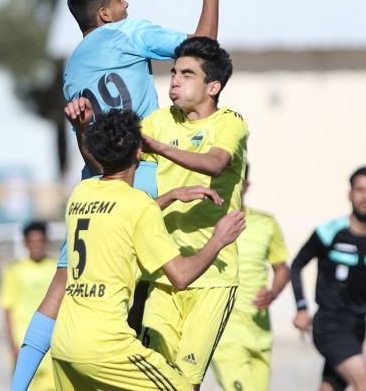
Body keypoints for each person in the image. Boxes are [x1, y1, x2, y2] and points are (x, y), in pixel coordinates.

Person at [12, 0, 231, 389]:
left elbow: (91, 152)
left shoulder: (71, 70)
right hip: (142, 172)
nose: (126, 4)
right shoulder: (126, 33)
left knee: (61, 288)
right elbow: (202, 51)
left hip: (93, 186)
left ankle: (17, 385)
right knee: (156, 289)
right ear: (105, 14)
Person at [49, 109, 246, 391]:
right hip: (106, 345)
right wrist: (218, 239)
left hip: (64, 344)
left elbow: (120, 213)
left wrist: (172, 195)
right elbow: (180, 276)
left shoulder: (81, 194)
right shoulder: (138, 205)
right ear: (139, 152)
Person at [138, 36, 249, 389]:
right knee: (154, 378)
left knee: (186, 382)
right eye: (173, 72)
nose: (174, 80)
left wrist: (158, 148)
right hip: (164, 270)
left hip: (213, 275)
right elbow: (115, 155)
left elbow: (215, 164)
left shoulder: (230, 123)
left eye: (187, 74)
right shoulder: (159, 121)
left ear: (213, 87)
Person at [291, 166, 366, 391]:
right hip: (330, 323)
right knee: (365, 383)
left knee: (331, 387)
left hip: (358, 324)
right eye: (360, 190)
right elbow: (296, 265)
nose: (365, 196)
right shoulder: (329, 232)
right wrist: (301, 307)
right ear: (350, 194)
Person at [211, 164, 291, 391]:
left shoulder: (266, 223)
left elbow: (282, 268)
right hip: (224, 336)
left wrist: (273, 293)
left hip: (260, 334)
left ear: (246, 186)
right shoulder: (204, 223)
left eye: (235, 182)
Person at [0, 222, 57, 391]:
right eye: (32, 241)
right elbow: (7, 309)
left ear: (46, 241)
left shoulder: (57, 268)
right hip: (24, 344)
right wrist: (13, 346)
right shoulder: (14, 270)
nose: (36, 245)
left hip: (52, 344)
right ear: (25, 243)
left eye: (40, 241)